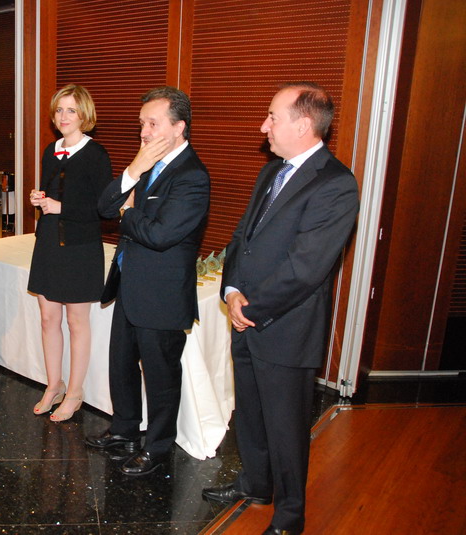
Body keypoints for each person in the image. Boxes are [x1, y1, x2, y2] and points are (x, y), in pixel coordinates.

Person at [201, 82, 360, 535]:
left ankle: (290, 517)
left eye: (272, 117)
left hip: (286, 327)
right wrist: (232, 291)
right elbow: (242, 239)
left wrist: (252, 308)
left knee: (286, 428)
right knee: (250, 413)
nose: (263, 126)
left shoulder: (336, 184)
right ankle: (256, 484)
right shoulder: (271, 172)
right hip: (245, 316)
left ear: (303, 124)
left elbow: (306, 268)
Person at [86, 86, 210, 476]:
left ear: (179, 127)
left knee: (160, 376)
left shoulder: (192, 175)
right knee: (121, 363)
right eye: (142, 124)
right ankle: (124, 430)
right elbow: (104, 206)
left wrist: (128, 214)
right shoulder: (146, 164)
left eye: (153, 124)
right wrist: (133, 170)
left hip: (161, 293)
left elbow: (160, 234)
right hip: (129, 283)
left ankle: (157, 447)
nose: (144, 132)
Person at [27, 84, 113, 422]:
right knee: (48, 318)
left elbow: (105, 208)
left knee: (77, 322)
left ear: (84, 115)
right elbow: (52, 193)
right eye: (60, 110)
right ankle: (54, 385)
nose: (64, 116)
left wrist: (61, 206)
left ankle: (75, 392)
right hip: (49, 242)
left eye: (71, 110)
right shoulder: (51, 150)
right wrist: (39, 198)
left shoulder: (96, 154)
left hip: (80, 247)